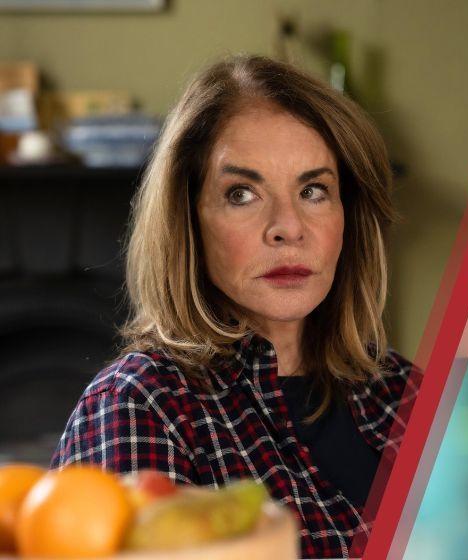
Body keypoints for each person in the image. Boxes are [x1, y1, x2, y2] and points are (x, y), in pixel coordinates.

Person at [52, 55, 418, 559]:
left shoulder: (403, 389)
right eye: (242, 193)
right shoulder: (140, 405)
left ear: (347, 219)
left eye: (313, 190)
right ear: (189, 220)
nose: (288, 227)